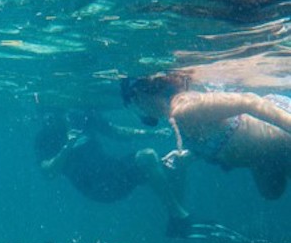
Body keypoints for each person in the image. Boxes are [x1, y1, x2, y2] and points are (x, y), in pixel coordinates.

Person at [121, 72, 291, 201]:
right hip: (266, 155)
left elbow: (249, 101)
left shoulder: (183, 110)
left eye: (135, 104)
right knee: (271, 192)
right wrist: (193, 155)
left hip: (282, 136)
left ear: (140, 95)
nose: (141, 112)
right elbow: (216, 133)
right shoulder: (177, 115)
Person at [35, 108, 192, 237]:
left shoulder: (81, 116)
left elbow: (116, 132)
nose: (47, 118)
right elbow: (48, 172)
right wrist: (67, 147)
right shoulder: (44, 138)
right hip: (95, 188)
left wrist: (152, 133)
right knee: (150, 158)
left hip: (113, 171)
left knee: (174, 162)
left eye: (51, 112)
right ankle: (180, 217)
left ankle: (176, 221)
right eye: (42, 114)